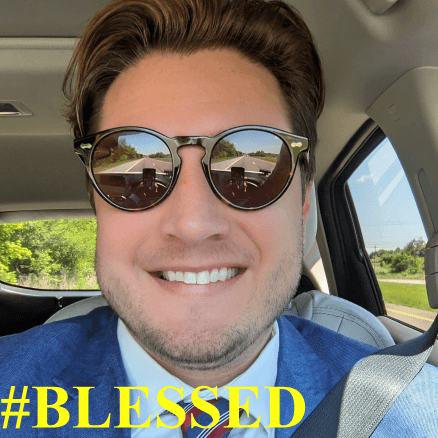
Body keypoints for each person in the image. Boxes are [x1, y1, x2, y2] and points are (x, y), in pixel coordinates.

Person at [1, 0, 437, 436]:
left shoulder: (413, 412)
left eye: (250, 171)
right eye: (134, 175)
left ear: (303, 201)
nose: (193, 224)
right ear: (97, 202)